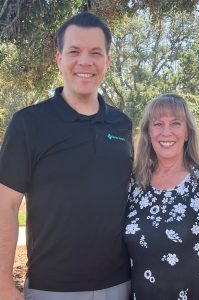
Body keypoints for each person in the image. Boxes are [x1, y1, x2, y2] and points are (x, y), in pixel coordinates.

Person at [0, 12, 133, 300]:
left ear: (107, 61)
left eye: (95, 52)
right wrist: (2, 284)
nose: (85, 61)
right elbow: (6, 206)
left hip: (120, 285)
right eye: (74, 51)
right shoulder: (28, 124)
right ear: (59, 58)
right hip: (52, 289)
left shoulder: (122, 125)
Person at [124, 93, 199, 300]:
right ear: (148, 133)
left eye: (176, 123)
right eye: (158, 124)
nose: (166, 132)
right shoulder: (133, 184)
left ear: (187, 132)